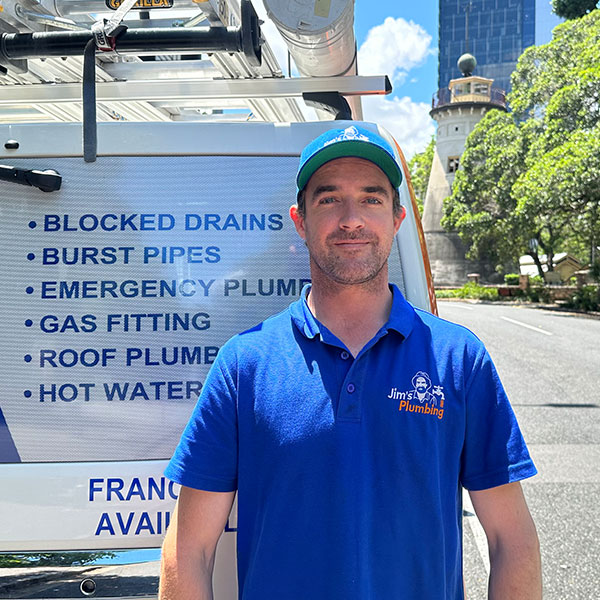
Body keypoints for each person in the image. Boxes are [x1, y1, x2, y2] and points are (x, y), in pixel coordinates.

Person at [159, 125, 542, 600]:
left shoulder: (459, 358)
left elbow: (513, 540)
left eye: (371, 199)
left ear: (398, 217)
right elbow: (189, 549)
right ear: (300, 221)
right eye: (329, 199)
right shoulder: (244, 365)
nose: (351, 219)